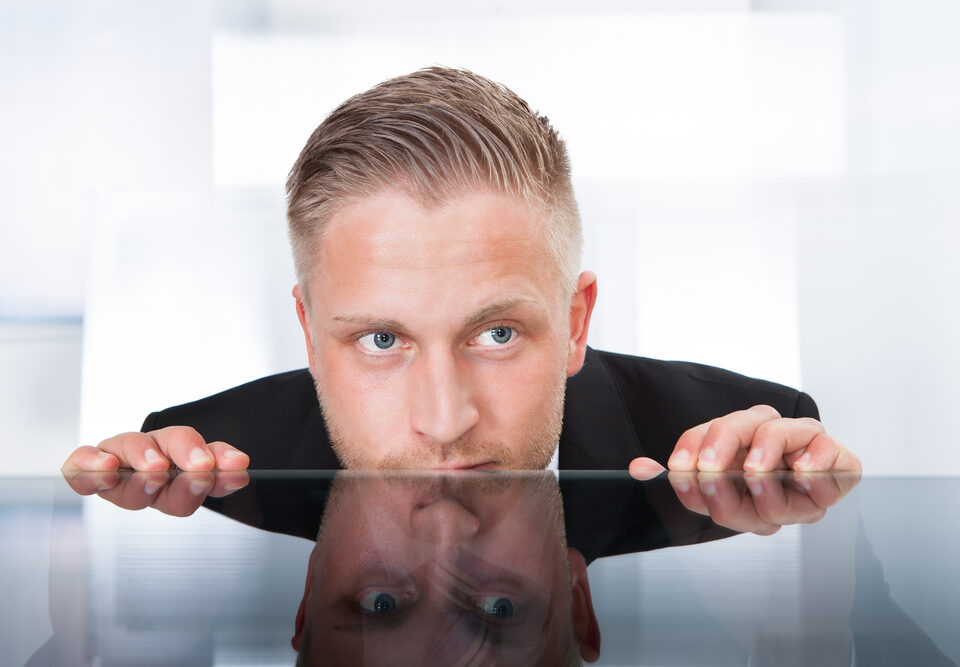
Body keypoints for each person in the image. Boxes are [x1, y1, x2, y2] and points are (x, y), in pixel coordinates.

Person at [62, 67, 860, 476]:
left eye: (498, 332)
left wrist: (805, 611)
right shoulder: (205, 477)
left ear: (576, 321)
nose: (444, 422)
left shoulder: (750, 454)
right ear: (310, 331)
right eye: (382, 338)